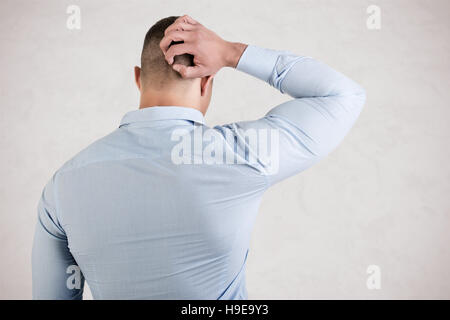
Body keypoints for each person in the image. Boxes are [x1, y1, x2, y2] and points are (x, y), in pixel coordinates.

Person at [32, 15, 366, 299]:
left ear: (138, 79)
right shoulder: (241, 154)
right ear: (206, 82)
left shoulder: (63, 185)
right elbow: (342, 95)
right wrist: (231, 53)